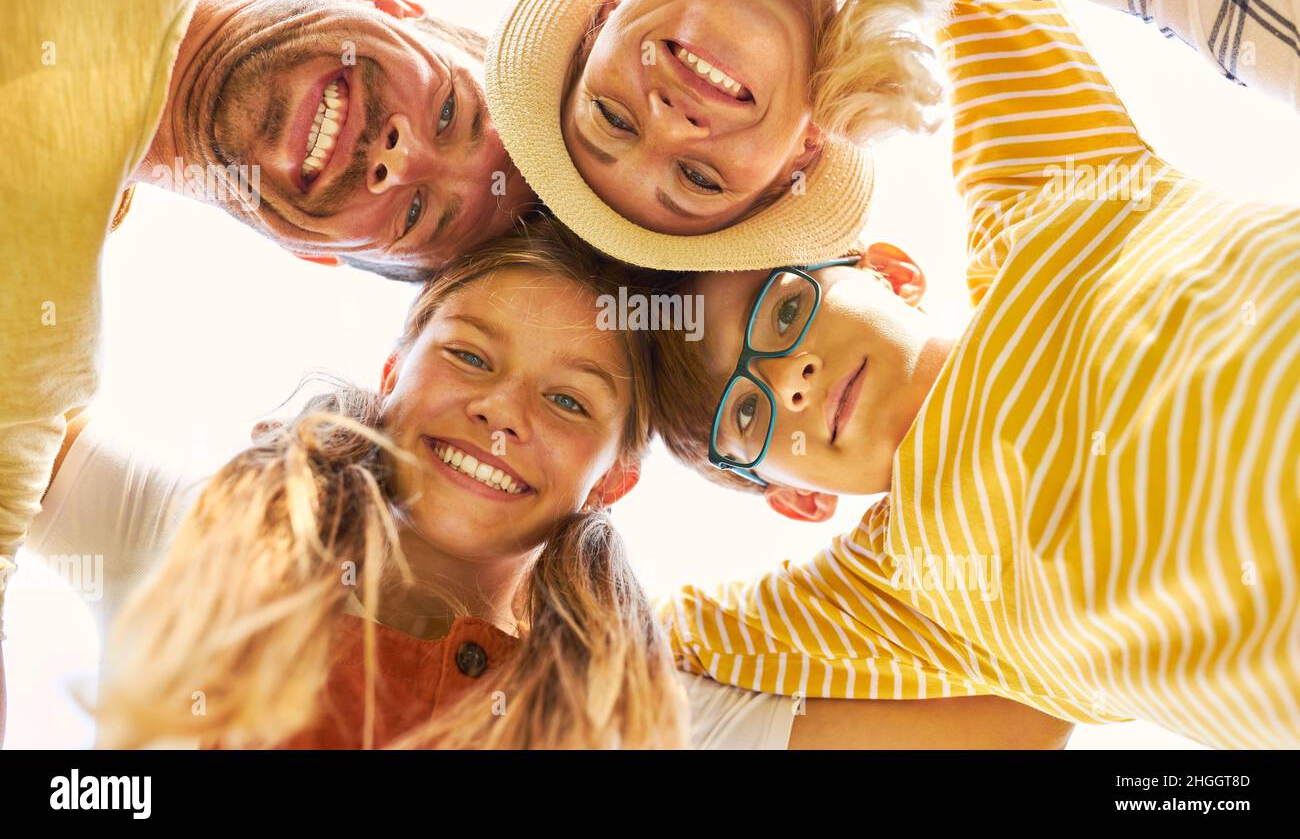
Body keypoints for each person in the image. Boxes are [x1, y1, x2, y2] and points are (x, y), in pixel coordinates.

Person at [28, 216, 1071, 749]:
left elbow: (1023, 710)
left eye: (570, 402)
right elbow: (16, 410)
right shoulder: (200, 531)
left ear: (613, 478)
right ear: (394, 371)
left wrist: (933, 424)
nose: (504, 411)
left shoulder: (630, 701)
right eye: (472, 357)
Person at [645, 0, 1300, 749]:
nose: (790, 384)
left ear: (890, 269)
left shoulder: (1041, 203)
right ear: (797, 499)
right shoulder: (893, 593)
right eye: (748, 417)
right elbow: (623, 649)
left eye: (783, 314)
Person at [0, 0, 536, 716]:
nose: (400, 156)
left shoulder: (31, 361)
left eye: (417, 213)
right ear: (391, 7)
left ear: (316, 254)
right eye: (451, 109)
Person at [484, 0, 1300, 266]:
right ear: (800, 152)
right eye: (697, 177)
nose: (669, 122)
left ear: (606, 17)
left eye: (613, 118)